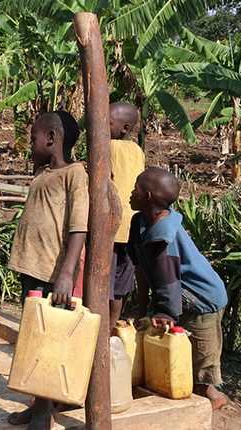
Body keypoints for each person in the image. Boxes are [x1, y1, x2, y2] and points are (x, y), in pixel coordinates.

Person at [6, 111, 88, 429]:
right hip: (32, 268)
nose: (30, 145)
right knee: (32, 338)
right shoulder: (42, 173)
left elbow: (79, 227)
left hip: (51, 272)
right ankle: (39, 403)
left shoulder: (74, 174)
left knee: (46, 342)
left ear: (51, 138)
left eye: (33, 139)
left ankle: (43, 411)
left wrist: (67, 273)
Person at [127, 168, 228, 411]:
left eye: (136, 188)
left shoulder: (164, 233)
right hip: (180, 297)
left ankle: (210, 403)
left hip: (203, 301)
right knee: (180, 363)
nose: (131, 192)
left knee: (199, 372)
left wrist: (165, 314)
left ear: (147, 196)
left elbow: (168, 279)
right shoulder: (139, 222)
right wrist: (142, 308)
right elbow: (140, 268)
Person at [108, 101, 144, 328]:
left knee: (104, 283)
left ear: (124, 128)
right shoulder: (138, 151)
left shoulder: (107, 147)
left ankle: (100, 329)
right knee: (120, 285)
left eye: (107, 123)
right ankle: (112, 327)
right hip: (132, 229)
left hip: (110, 227)